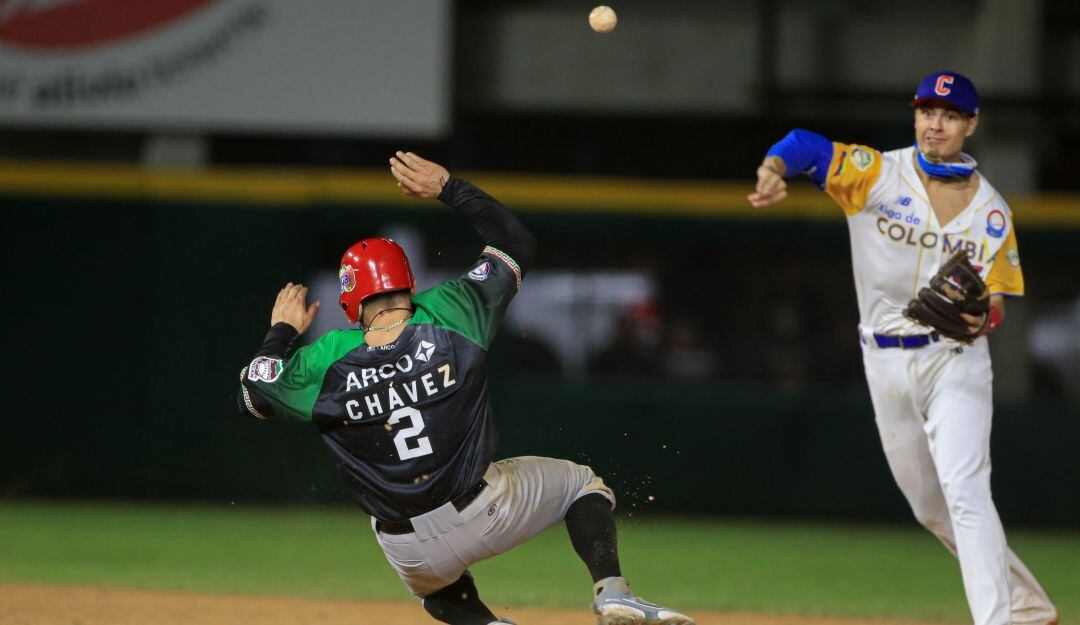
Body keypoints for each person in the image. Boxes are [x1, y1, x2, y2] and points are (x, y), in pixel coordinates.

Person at [237, 151, 694, 625]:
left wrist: (282, 332)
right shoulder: (452, 310)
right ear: (408, 284)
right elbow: (515, 242)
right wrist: (448, 188)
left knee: (437, 589)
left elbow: (251, 396)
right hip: (486, 511)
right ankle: (613, 593)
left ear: (350, 300)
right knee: (581, 483)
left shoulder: (323, 358)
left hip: (406, 547)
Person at [748, 72, 1057, 625]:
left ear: (970, 125)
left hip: (953, 360)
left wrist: (980, 315)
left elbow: (999, 308)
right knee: (931, 508)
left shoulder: (992, 213)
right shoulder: (876, 174)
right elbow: (803, 145)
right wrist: (773, 170)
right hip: (884, 360)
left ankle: (1001, 620)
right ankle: (1030, 607)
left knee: (965, 491)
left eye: (949, 114)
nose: (934, 123)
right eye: (925, 111)